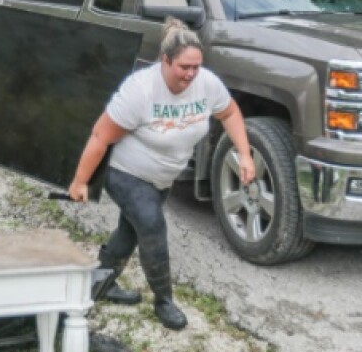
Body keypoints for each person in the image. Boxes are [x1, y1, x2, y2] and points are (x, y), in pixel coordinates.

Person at [68, 18, 255, 330]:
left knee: (131, 230)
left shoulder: (206, 83)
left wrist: (245, 154)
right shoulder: (140, 90)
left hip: (162, 177)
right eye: (184, 67)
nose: (191, 74)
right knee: (152, 226)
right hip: (124, 171)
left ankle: (98, 284)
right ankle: (164, 300)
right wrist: (80, 181)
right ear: (165, 60)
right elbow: (100, 135)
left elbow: (230, 112)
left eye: (196, 67)